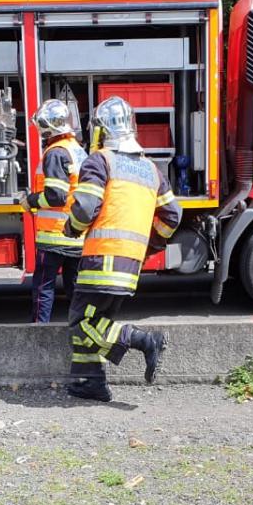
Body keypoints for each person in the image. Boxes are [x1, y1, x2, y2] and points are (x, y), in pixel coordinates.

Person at [61, 96, 183, 402]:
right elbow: (173, 215)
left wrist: (73, 228)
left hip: (102, 258)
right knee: (95, 319)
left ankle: (141, 340)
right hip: (130, 264)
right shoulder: (151, 168)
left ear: (101, 131)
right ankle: (88, 382)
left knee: (81, 322)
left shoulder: (100, 160)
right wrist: (151, 244)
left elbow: (86, 205)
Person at [23, 99, 88, 323]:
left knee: (43, 288)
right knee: (75, 290)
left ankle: (38, 335)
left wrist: (30, 201)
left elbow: (56, 196)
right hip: (76, 235)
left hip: (54, 237)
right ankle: (82, 332)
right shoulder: (77, 150)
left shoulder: (55, 153)